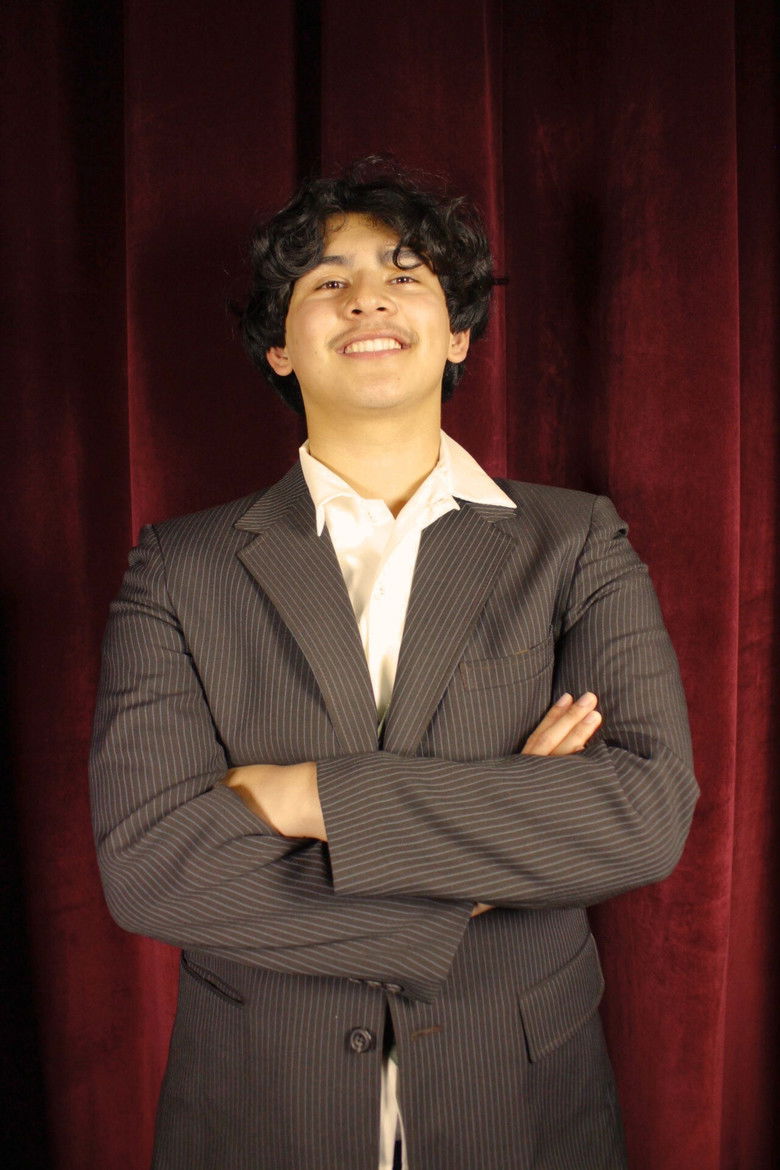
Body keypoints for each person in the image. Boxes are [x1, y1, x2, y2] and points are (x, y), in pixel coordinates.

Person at [90, 159, 698, 1170]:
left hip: (522, 1104)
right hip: (260, 1107)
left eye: (404, 274)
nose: (367, 297)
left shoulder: (575, 541)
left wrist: (301, 795)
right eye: (327, 280)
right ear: (280, 346)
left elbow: (642, 813)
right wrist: (498, 844)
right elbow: (152, 870)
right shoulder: (179, 567)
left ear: (457, 334)